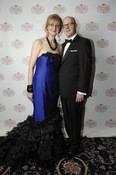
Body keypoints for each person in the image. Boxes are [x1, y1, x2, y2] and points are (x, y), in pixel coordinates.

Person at [0, 14, 64, 174]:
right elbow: (31, 67)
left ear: (60, 28)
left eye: (57, 26)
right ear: (46, 26)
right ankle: (39, 153)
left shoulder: (60, 46)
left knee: (50, 115)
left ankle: (48, 149)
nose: (54, 28)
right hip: (40, 86)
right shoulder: (39, 42)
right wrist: (30, 88)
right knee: (40, 117)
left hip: (54, 86)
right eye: (51, 25)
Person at [59, 16, 92, 157]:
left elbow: (86, 68)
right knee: (67, 118)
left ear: (75, 25)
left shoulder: (83, 42)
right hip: (64, 91)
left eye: (69, 24)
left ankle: (75, 146)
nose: (66, 27)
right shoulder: (62, 45)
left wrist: (81, 91)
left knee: (75, 118)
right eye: (64, 25)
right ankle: (72, 140)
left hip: (76, 92)